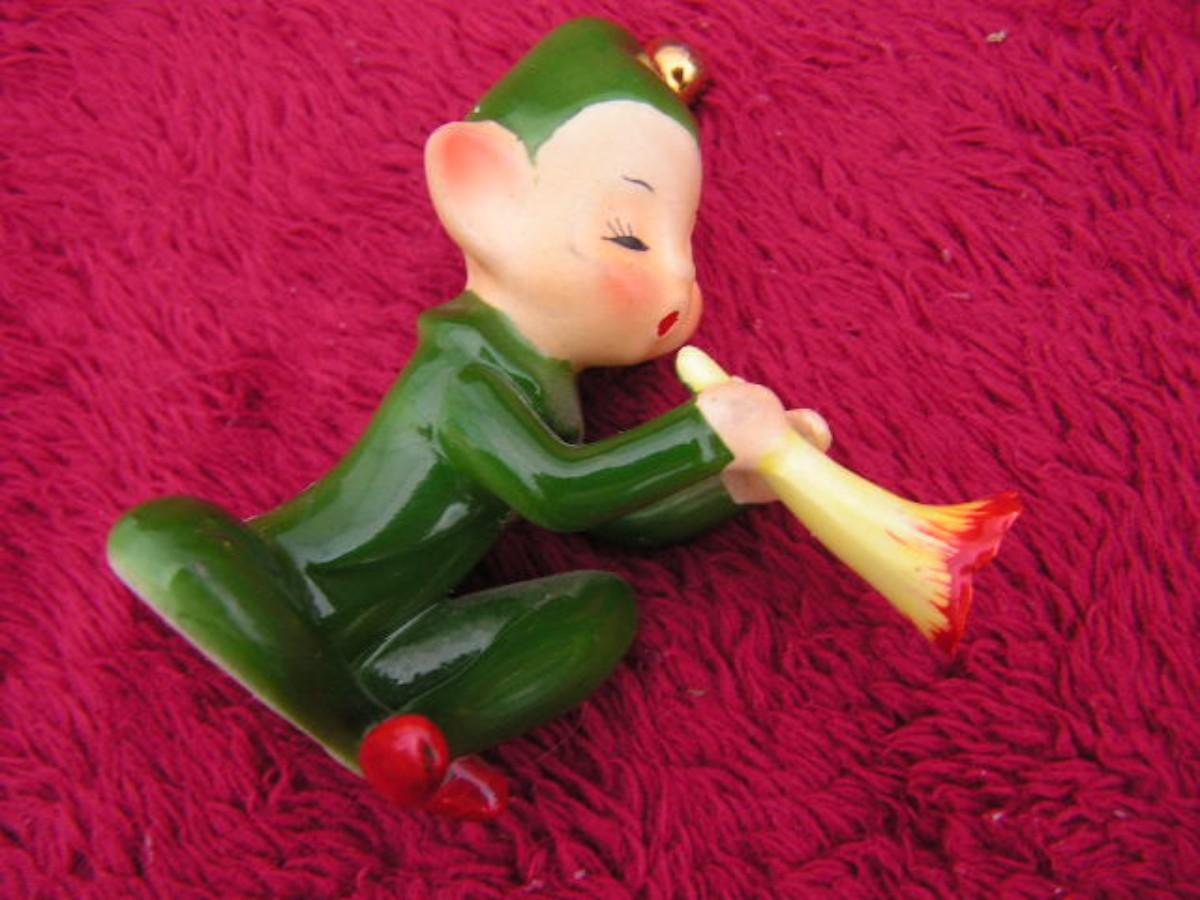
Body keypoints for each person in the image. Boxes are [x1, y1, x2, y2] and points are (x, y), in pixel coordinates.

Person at [108, 18, 829, 821]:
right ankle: (352, 724)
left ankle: (413, 735)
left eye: (683, 253)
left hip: (397, 643)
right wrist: (701, 435)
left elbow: (618, 518)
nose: (677, 283)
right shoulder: (464, 372)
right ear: (485, 195)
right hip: (277, 583)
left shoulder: (551, 398)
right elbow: (558, 492)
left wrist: (733, 481)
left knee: (600, 609)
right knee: (162, 533)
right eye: (630, 235)